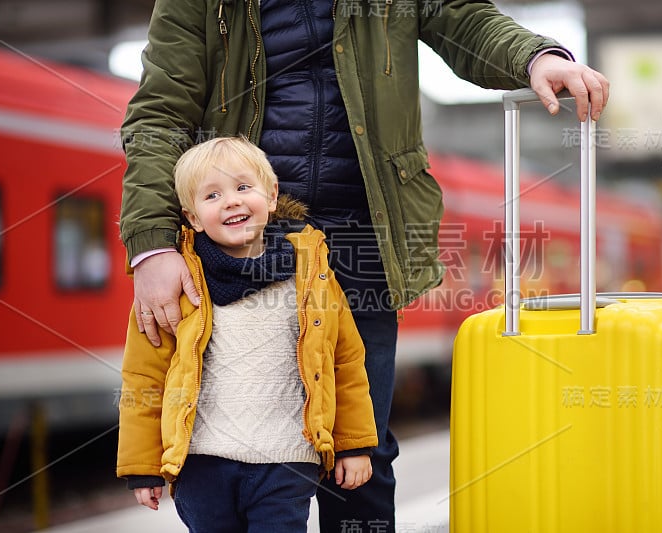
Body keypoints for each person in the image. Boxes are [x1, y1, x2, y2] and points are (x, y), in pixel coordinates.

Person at [119, 2, 610, 530]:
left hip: (363, 233)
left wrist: (534, 55)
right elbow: (160, 113)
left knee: (362, 452)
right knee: (229, 449)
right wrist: (152, 244)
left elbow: (462, 18)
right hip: (242, 242)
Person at [116, 136, 378, 532]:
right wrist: (143, 465)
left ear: (271, 196)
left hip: (287, 459)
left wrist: (353, 444)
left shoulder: (311, 278)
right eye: (213, 195)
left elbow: (345, 361)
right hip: (202, 463)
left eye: (243, 187)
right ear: (192, 217)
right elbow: (143, 375)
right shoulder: (179, 285)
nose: (232, 201)